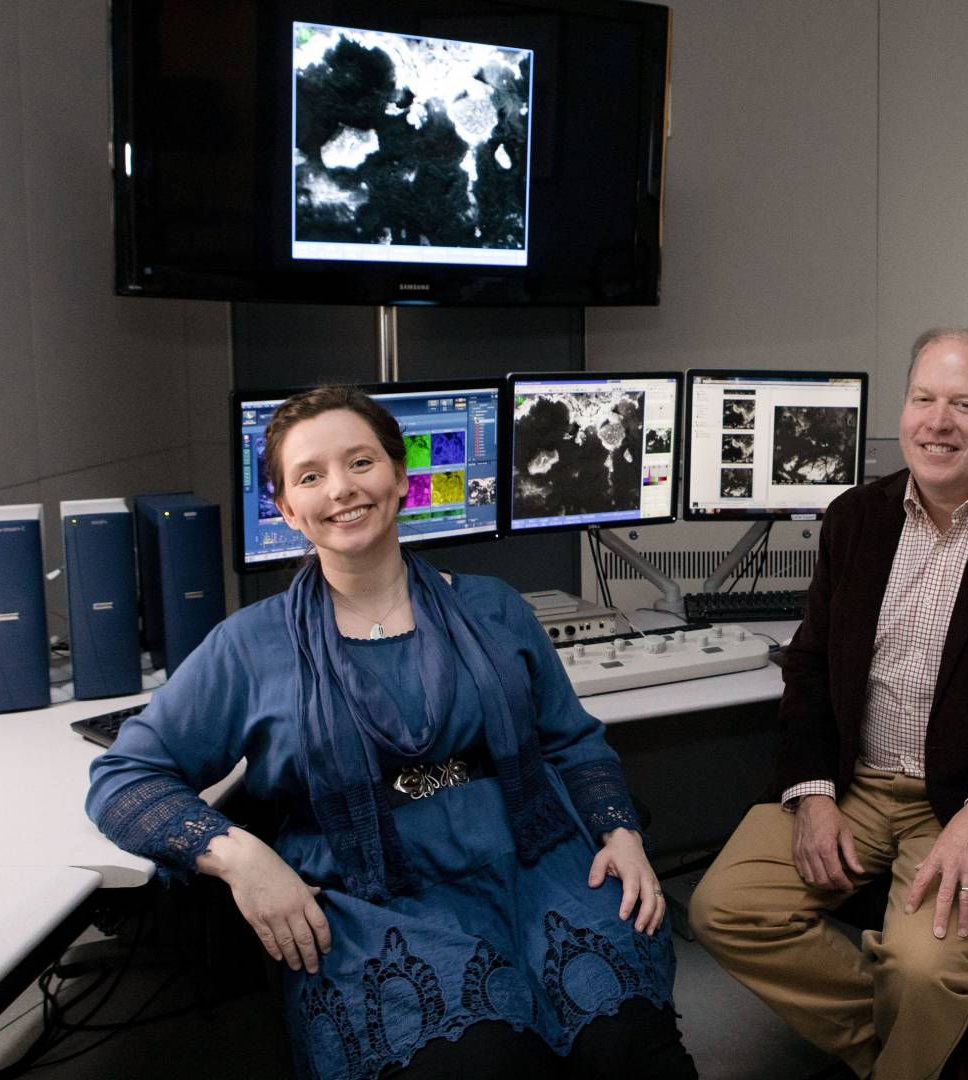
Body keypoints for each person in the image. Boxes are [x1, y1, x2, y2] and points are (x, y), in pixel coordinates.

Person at [86, 386, 696, 1080]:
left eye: (360, 462)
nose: (341, 489)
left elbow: (570, 739)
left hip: (539, 865)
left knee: (632, 1048)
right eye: (310, 477)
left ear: (402, 479)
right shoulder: (247, 648)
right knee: (487, 1065)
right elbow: (124, 780)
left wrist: (620, 830)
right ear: (287, 510)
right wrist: (240, 857)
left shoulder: (494, 606)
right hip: (377, 903)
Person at [688, 328, 968, 1079]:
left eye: (965, 404)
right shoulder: (857, 518)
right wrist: (816, 795)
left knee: (922, 969)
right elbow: (813, 667)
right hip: (855, 784)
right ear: (904, 409)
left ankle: (920, 1034)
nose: (939, 421)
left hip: (967, 800)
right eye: (924, 399)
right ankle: (922, 1048)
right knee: (724, 908)